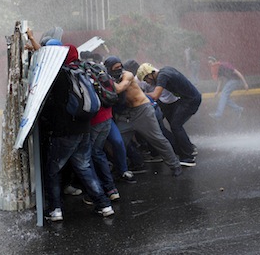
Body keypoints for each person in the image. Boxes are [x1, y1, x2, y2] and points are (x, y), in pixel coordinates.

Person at [41, 44, 114, 221]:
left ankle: (55, 210)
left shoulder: (59, 75)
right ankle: (105, 206)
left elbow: (53, 106)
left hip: (65, 131)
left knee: (53, 170)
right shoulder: (81, 71)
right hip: (84, 127)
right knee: (85, 168)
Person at [104, 56, 183, 176]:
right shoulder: (109, 79)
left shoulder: (127, 75)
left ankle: (175, 165)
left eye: (120, 66)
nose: (119, 70)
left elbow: (120, 88)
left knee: (157, 139)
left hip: (142, 111)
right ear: (109, 69)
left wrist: (102, 81)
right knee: (117, 143)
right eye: (116, 68)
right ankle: (121, 170)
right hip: (125, 115)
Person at [136, 63, 201, 166]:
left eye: (146, 79)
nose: (147, 82)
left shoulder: (162, 76)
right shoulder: (164, 71)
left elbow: (155, 96)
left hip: (190, 100)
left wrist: (138, 94)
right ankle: (189, 149)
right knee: (175, 124)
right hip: (186, 99)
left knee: (176, 126)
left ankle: (189, 157)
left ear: (149, 75)